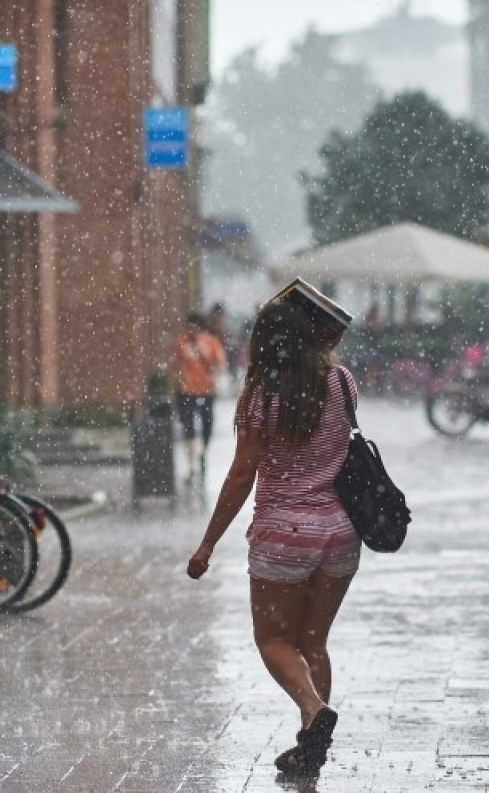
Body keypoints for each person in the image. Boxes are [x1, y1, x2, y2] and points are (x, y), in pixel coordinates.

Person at [186, 279, 359, 777]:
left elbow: (243, 473)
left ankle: (313, 712)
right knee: (314, 643)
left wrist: (207, 544)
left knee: (273, 640)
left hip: (283, 535)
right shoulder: (343, 382)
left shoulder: (262, 394)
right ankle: (309, 752)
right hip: (342, 534)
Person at [170, 311, 226, 483]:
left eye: (194, 327)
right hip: (186, 392)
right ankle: (191, 465)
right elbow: (175, 365)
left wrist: (215, 377)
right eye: (189, 327)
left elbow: (220, 364)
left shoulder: (210, 342)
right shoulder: (180, 343)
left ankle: (203, 453)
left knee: (207, 425)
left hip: (206, 391)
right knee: (189, 428)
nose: (191, 330)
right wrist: (175, 385)